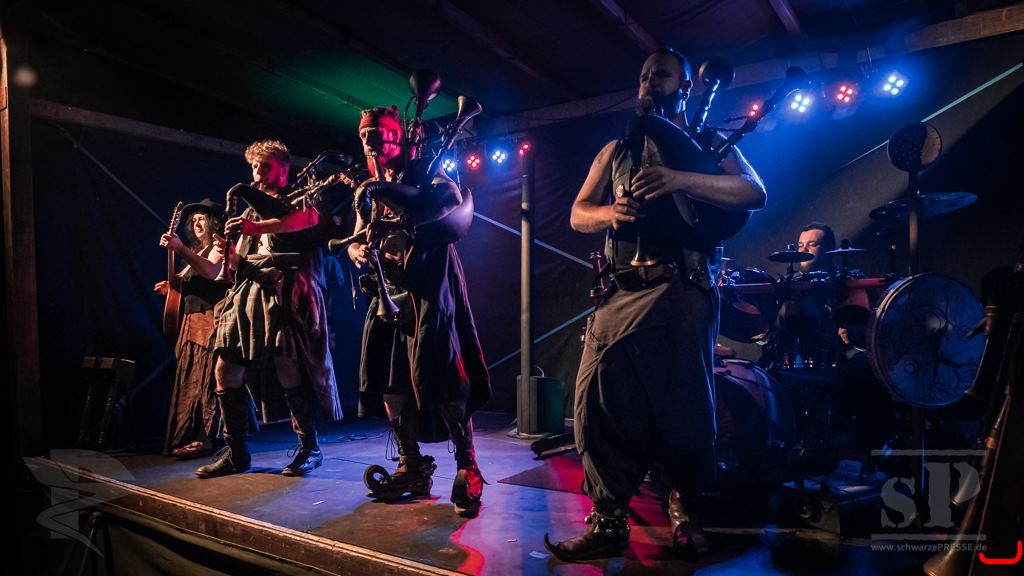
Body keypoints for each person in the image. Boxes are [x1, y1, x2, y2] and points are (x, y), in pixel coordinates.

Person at [544, 47, 766, 562]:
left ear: (685, 86)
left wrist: (680, 179)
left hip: (681, 288)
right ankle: (608, 521)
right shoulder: (615, 149)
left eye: (660, 75)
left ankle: (685, 513)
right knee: (596, 403)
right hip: (620, 292)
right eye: (644, 75)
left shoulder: (706, 143)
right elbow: (578, 213)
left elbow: (754, 193)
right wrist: (610, 214)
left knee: (683, 408)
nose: (648, 82)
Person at [344, 106, 491, 517]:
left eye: (378, 133)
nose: (370, 142)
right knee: (391, 384)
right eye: (364, 135)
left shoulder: (429, 175)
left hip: (429, 288)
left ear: (399, 138)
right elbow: (355, 236)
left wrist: (404, 210)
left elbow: (451, 206)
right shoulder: (369, 188)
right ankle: (411, 465)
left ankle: (467, 465)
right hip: (387, 290)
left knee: (444, 376)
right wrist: (356, 251)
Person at [196, 139, 343, 479]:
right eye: (254, 166)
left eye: (265, 166)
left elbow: (306, 221)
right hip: (248, 290)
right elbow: (235, 264)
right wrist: (231, 254)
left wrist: (257, 227)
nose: (258, 172)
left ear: (283, 168)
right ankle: (236, 452)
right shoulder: (247, 211)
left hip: (287, 289)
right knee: (225, 366)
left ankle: (309, 447)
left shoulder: (299, 198)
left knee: (288, 365)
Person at [155, 197, 228, 459]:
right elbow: (194, 282)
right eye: (194, 220)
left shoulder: (219, 246)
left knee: (206, 380)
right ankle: (187, 435)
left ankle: (205, 439)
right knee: (191, 379)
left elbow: (210, 272)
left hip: (209, 321)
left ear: (214, 222)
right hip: (191, 321)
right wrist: (172, 288)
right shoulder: (196, 251)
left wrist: (180, 248)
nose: (197, 223)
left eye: (202, 219)